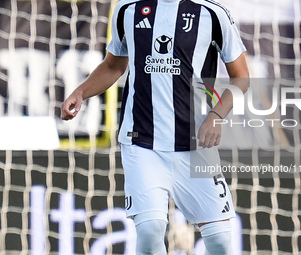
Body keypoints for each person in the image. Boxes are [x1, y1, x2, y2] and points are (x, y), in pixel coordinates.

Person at [61, 0, 249, 253]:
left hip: (195, 145)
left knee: (221, 242)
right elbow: (113, 65)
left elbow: (242, 76)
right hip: (142, 141)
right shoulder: (128, 9)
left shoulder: (212, 13)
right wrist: (81, 92)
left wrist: (216, 115)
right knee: (150, 231)